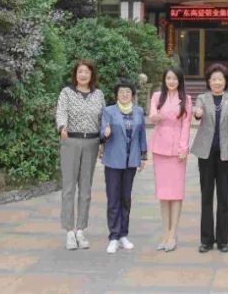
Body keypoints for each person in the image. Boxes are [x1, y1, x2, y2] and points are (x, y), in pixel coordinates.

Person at [190, 63, 228, 253]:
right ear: (209, 81)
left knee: (224, 197)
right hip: (205, 154)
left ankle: (222, 240)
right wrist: (197, 113)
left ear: (225, 81)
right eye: (214, 79)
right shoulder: (202, 98)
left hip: (226, 154)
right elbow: (196, 111)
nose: (217, 82)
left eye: (220, 79)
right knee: (206, 196)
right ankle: (206, 240)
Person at [55, 59, 106, 251]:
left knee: (86, 189)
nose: (83, 75)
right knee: (69, 188)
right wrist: (62, 127)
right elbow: (61, 112)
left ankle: (80, 230)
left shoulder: (98, 94)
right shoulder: (67, 93)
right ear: (75, 75)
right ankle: (69, 230)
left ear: (92, 75)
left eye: (86, 72)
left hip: (91, 143)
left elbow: (103, 119)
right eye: (80, 72)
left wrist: (102, 142)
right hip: (71, 141)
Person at [99, 78, 147, 254]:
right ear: (116, 95)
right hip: (113, 160)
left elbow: (142, 135)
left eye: (128, 92)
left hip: (131, 161)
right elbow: (101, 133)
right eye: (121, 92)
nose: (125, 94)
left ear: (132, 95)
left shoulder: (138, 111)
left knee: (126, 198)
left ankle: (123, 235)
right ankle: (113, 237)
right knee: (113, 199)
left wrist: (143, 155)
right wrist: (105, 133)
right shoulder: (108, 111)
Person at [149, 67, 193, 252]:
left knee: (175, 194)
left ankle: (173, 234)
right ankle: (165, 233)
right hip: (160, 148)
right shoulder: (157, 96)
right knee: (163, 194)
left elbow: (186, 125)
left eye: (175, 78)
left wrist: (183, 148)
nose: (171, 81)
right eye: (168, 78)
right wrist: (154, 117)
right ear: (164, 80)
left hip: (177, 151)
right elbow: (152, 115)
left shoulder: (186, 99)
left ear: (180, 80)